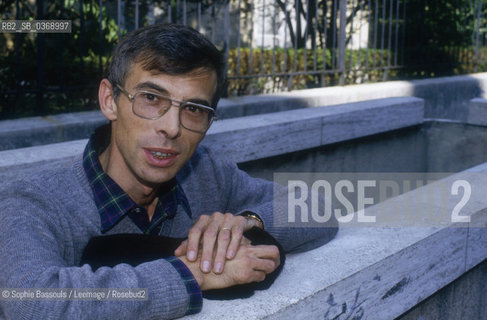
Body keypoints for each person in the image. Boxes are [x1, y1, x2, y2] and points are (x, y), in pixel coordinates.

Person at [0, 23, 337, 319]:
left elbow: (320, 207)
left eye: (193, 109)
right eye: (150, 98)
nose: (171, 127)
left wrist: (245, 222)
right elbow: (32, 303)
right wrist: (193, 274)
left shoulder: (206, 173)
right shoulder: (32, 202)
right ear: (109, 100)